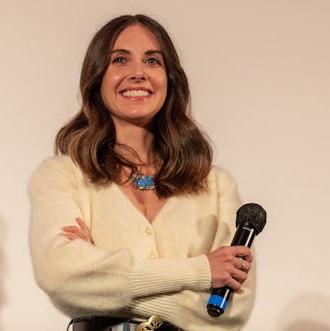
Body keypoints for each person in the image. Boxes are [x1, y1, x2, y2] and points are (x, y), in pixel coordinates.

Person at [28, 14, 255, 331]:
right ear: (97, 78)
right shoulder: (62, 177)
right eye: (119, 60)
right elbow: (60, 276)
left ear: (169, 78)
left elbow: (231, 310)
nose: (137, 73)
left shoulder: (217, 187)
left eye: (152, 61)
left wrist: (102, 278)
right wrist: (201, 271)